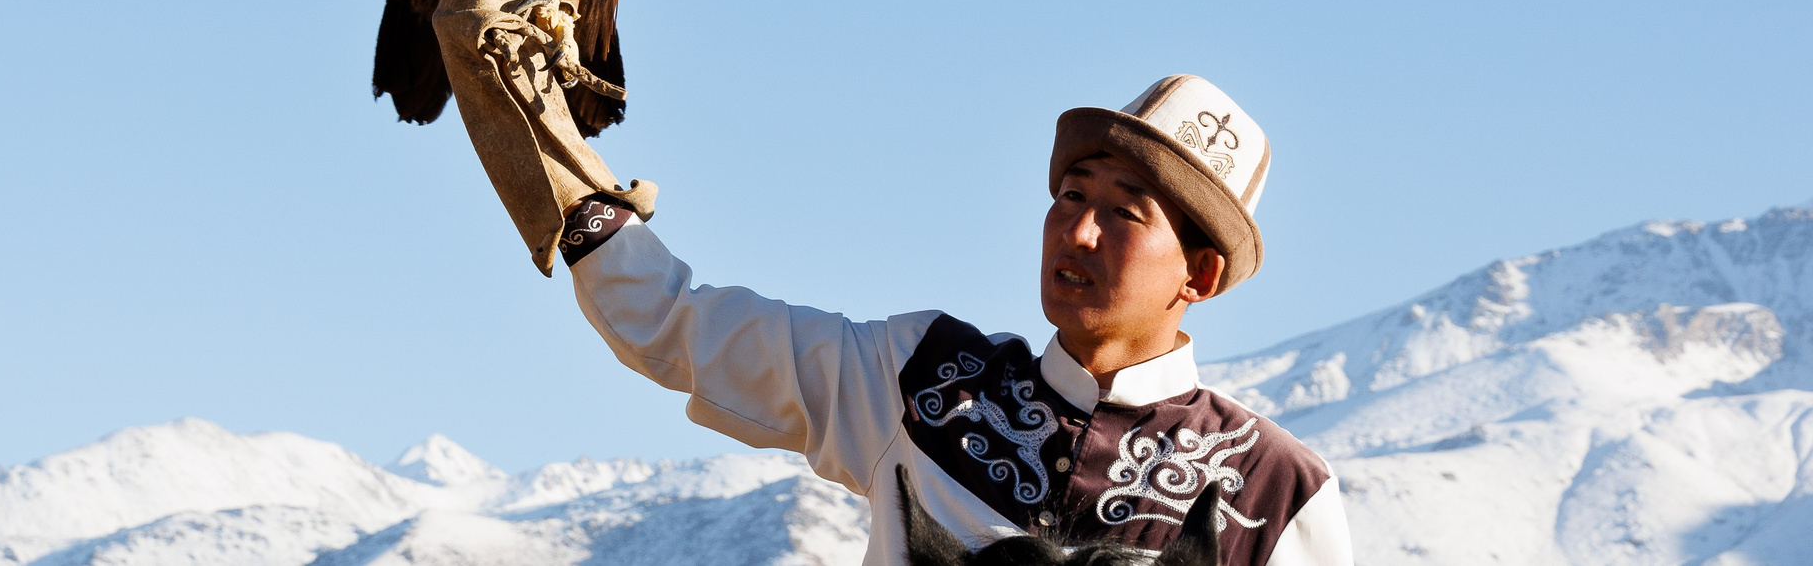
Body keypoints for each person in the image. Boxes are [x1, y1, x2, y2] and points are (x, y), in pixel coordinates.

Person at [537, 74, 1354, 566]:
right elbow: (682, 326)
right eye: (1071, 194)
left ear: (1199, 273)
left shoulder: (1279, 488)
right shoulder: (924, 374)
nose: (1077, 230)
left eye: (1123, 211)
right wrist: (551, 161)